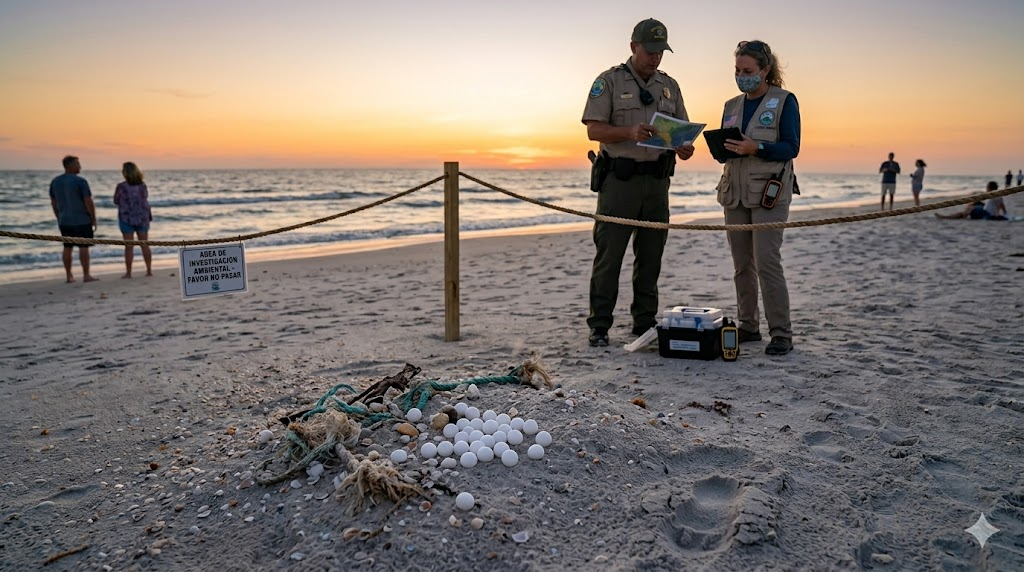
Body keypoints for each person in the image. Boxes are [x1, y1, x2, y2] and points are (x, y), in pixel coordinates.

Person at [581, 18, 695, 347]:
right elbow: (594, 130)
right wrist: (629, 132)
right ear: (634, 47)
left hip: (657, 183)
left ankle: (644, 321)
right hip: (620, 181)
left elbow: (681, 128)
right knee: (610, 255)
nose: (655, 57)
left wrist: (683, 146)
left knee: (651, 256)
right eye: (650, 50)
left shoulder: (669, 85)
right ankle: (599, 324)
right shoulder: (610, 81)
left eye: (661, 51)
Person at [715, 39, 800, 356]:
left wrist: (758, 148)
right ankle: (748, 326)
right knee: (742, 266)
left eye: (747, 70)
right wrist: (721, 149)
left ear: (765, 70)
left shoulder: (784, 101)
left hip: (768, 195)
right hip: (734, 193)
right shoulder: (730, 105)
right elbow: (729, 150)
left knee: (767, 262)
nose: (741, 75)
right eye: (737, 70)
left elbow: (791, 147)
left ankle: (781, 333)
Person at [49, 155, 98, 283]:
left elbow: (53, 203)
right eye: (77, 164)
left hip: (65, 220)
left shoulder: (55, 182)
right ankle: (86, 275)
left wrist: (59, 217)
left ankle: (69, 275)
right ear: (70, 166)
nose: (80, 166)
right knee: (83, 247)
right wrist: (93, 218)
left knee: (67, 247)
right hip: (81, 219)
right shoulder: (80, 182)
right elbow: (88, 201)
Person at [113, 161, 153, 278]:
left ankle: (129, 272)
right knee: (144, 244)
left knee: (129, 246)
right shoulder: (142, 186)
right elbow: (145, 198)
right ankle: (149, 270)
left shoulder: (121, 187)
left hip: (126, 218)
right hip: (142, 217)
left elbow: (116, 200)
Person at [934, 182, 1004, 219]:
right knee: (976, 203)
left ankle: (949, 217)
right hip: (986, 210)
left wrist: (997, 214)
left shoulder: (992, 195)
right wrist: (1004, 213)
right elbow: (1001, 205)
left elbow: (999, 205)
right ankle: (965, 213)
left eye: (987, 187)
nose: (986, 189)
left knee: (969, 208)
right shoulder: (997, 195)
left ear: (990, 188)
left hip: (987, 213)